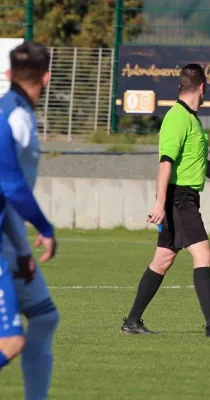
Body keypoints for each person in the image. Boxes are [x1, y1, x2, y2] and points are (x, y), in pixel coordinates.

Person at [120, 64, 210, 338]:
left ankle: (132, 321)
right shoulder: (178, 118)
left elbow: (202, 164)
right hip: (179, 198)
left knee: (163, 259)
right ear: (202, 88)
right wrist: (160, 203)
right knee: (203, 253)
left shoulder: (192, 119)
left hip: (182, 197)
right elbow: (165, 163)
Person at [0, 41, 60, 400]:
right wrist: (46, 229)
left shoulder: (18, 109)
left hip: (7, 238)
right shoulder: (14, 115)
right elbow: (11, 186)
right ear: (48, 77)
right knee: (11, 340)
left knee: (44, 318)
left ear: (8, 74)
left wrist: (22, 251)